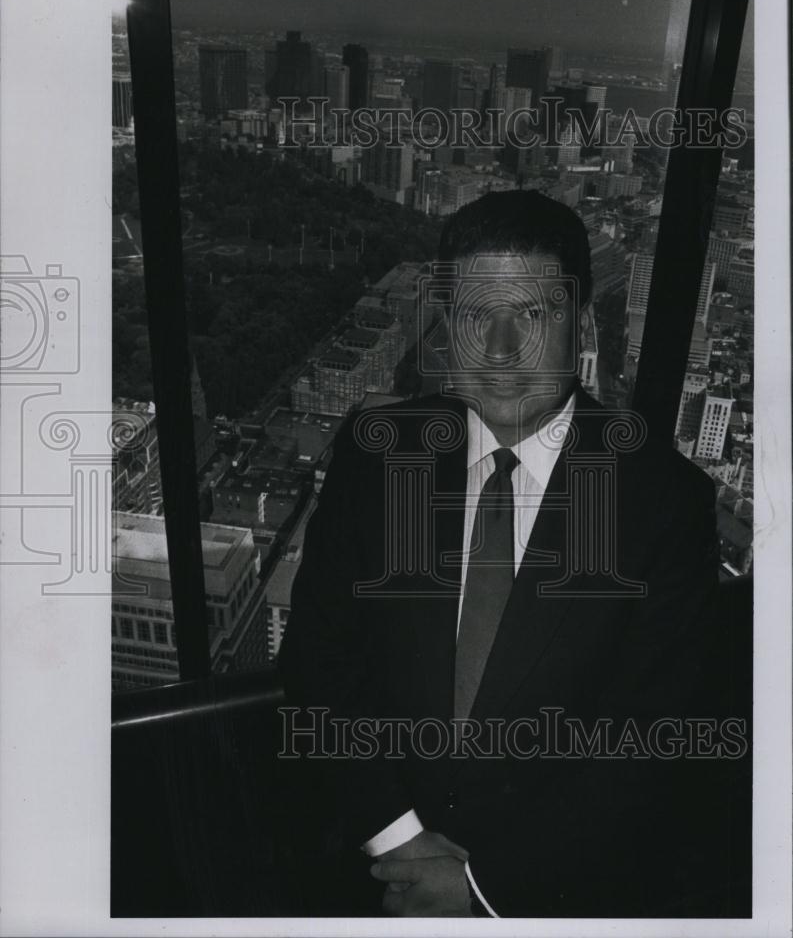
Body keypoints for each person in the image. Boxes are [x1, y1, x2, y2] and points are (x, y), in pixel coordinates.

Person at [279, 190, 733, 918]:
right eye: (471, 316)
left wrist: (483, 886)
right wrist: (396, 841)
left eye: (530, 313)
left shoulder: (661, 502)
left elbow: (646, 738)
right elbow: (318, 663)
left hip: (549, 897)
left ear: (580, 322)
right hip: (369, 875)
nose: (496, 351)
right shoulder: (378, 456)